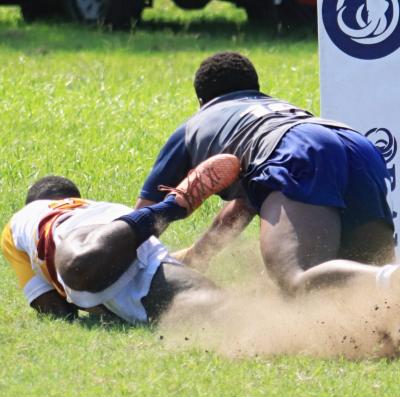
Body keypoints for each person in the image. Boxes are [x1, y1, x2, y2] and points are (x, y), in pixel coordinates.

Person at [136, 51, 396, 295]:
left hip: (296, 148)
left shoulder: (193, 126)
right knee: (368, 284)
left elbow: (140, 220)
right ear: (256, 89)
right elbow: (243, 206)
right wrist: (199, 255)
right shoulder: (276, 108)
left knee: (296, 279)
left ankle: (393, 279)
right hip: (354, 144)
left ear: (201, 102)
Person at [1, 154, 240, 322]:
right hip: (128, 233)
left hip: (86, 238)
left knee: (78, 269)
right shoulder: (93, 204)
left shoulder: (21, 220)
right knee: (209, 308)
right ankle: (246, 199)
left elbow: (56, 310)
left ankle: (172, 207)